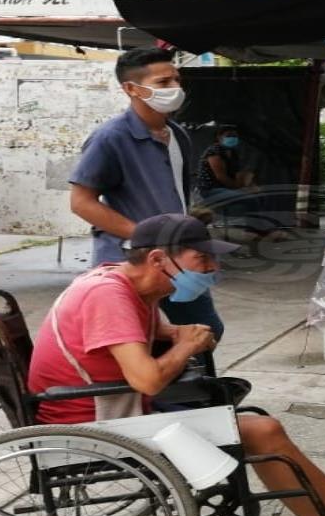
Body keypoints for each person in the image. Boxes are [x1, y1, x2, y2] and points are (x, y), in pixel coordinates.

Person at [27, 213, 325, 516]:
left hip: (110, 405)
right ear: (156, 258)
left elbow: (165, 333)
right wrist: (185, 347)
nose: (209, 269)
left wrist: (186, 335)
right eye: (200, 259)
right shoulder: (108, 295)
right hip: (92, 421)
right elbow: (147, 379)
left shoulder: (124, 285)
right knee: (263, 432)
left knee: (252, 423)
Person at [69, 47, 226, 340]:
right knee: (135, 338)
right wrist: (145, 234)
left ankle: (195, 385)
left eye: (177, 80)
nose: (175, 89)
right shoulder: (111, 137)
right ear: (131, 89)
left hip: (180, 257)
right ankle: (154, 383)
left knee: (206, 330)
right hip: (131, 261)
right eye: (163, 83)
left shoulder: (178, 134)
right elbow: (81, 202)